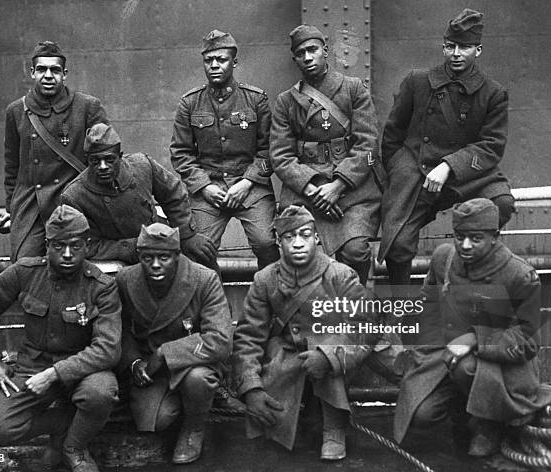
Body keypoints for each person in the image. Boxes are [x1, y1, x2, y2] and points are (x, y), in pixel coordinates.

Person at [0, 205, 122, 472]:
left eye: (75, 246)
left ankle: (75, 447)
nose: (68, 254)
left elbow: (107, 349)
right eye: (59, 247)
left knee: (100, 393)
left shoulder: (101, 286)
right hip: (32, 366)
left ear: (88, 245)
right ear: (47, 245)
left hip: (83, 369)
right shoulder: (25, 272)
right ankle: (63, 425)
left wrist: (54, 374)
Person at [394, 198, 551, 456]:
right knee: (421, 415)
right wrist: (415, 344)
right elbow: (427, 306)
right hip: (445, 355)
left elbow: (528, 342)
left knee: (466, 368)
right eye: (459, 236)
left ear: (495, 237)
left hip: (501, 367)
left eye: (475, 238)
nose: (465, 245)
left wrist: (474, 339)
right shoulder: (444, 258)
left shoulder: (519, 275)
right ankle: (464, 412)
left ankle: (489, 424)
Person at [379, 9, 515, 287]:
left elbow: (491, 146)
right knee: (398, 243)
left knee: (501, 203)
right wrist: (400, 170)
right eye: (451, 46)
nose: (456, 53)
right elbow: (393, 133)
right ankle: (399, 312)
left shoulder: (492, 93)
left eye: (464, 47)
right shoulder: (417, 81)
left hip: (467, 174)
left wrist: (448, 166)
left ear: (478, 50)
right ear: (443, 47)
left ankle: (467, 275)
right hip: (418, 170)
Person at [232, 205, 380, 460]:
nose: (298, 243)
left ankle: (334, 427)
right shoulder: (265, 279)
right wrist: (251, 388)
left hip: (336, 352)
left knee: (326, 351)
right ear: (279, 242)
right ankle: (303, 414)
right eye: (290, 237)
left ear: (317, 238)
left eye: (305, 235)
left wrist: (328, 356)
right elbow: (248, 336)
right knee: (272, 430)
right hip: (289, 354)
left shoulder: (339, 274)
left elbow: (364, 326)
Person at [270, 24, 382, 285]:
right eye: (300, 53)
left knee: (355, 251)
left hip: (353, 191)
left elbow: (368, 145)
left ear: (325, 51)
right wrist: (316, 189)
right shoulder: (286, 101)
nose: (307, 57)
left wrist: (338, 186)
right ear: (295, 58)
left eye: (313, 50)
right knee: (304, 254)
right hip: (306, 192)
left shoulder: (353, 89)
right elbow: (280, 156)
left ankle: (355, 305)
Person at [116, 223, 232, 464]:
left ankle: (194, 427)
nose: (156, 265)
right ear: (139, 257)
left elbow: (220, 340)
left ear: (178, 256)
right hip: (151, 370)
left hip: (195, 362)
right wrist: (134, 361)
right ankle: (183, 404)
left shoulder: (203, 279)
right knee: (157, 421)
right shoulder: (126, 279)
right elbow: (121, 330)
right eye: (148, 257)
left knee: (198, 380)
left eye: (164, 257)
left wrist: (165, 354)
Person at [170, 29, 279, 270]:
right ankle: (213, 302)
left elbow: (269, 150)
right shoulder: (190, 102)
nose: (214, 65)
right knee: (198, 248)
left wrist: (247, 182)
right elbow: (181, 153)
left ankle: (271, 299)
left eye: (221, 59)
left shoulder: (256, 100)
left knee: (266, 242)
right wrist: (205, 186)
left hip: (251, 187)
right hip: (209, 187)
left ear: (234, 62)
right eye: (209, 60)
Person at [1, 41, 109, 261]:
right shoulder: (16, 111)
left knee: (75, 263)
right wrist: (11, 208)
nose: (48, 75)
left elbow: (107, 157)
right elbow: (12, 166)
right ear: (32, 72)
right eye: (41, 69)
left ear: (65, 74)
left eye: (55, 70)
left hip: (74, 203)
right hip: (32, 206)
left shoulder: (87, 107)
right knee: (25, 266)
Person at [61, 123, 217, 268]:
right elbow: (87, 246)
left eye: (109, 159)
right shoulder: (74, 196)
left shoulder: (142, 165)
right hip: (118, 258)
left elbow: (173, 195)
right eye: (95, 161)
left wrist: (186, 235)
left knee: (203, 256)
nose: (102, 166)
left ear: (120, 156)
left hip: (158, 240)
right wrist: (135, 246)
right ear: (87, 160)